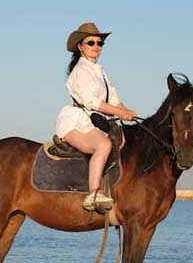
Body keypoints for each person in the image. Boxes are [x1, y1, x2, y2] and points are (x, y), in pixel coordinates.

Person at [54, 22, 138, 211]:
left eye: (99, 43)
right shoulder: (81, 70)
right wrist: (120, 113)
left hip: (98, 121)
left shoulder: (100, 71)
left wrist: (128, 112)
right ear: (80, 46)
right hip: (77, 121)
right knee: (104, 145)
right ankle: (93, 194)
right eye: (90, 42)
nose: (96, 46)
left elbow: (115, 100)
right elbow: (91, 101)